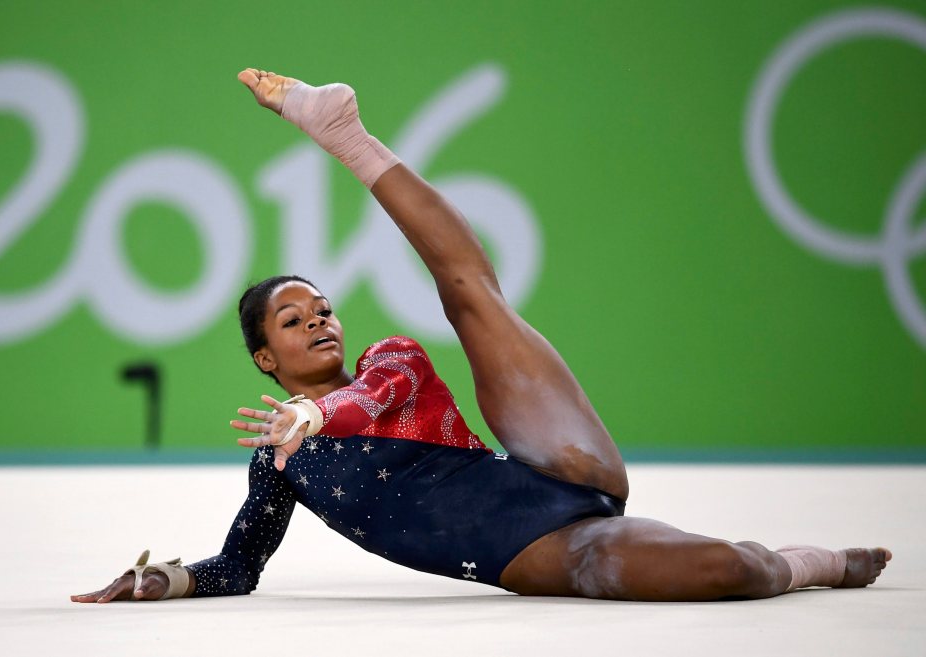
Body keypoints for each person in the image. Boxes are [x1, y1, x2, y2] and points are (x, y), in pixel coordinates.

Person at [71, 68, 891, 604]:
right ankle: (818, 562)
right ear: (263, 357)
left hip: (557, 463)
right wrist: (159, 579)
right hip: (546, 547)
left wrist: (315, 416)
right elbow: (239, 566)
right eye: (293, 319)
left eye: (322, 306)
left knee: (473, 299)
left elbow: (368, 400)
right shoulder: (276, 461)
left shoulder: (389, 362)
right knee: (730, 570)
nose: (319, 319)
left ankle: (345, 135)